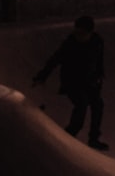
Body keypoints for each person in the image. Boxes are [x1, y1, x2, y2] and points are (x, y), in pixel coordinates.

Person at [33, 15, 109, 151]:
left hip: (89, 81)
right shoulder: (70, 43)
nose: (78, 37)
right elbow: (54, 60)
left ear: (90, 33)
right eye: (76, 33)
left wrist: (100, 75)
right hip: (72, 81)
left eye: (82, 34)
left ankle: (94, 139)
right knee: (82, 104)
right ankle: (69, 136)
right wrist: (42, 76)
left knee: (98, 105)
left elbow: (99, 61)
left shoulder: (97, 42)